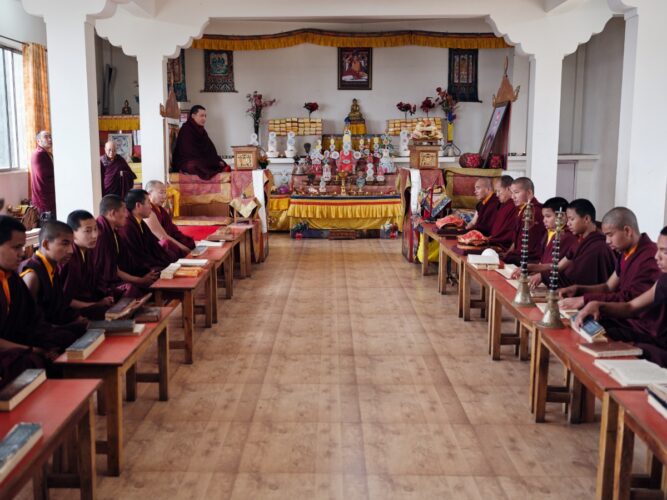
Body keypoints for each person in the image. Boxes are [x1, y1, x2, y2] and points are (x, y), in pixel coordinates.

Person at [575, 226, 667, 367]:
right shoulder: (664, 280)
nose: (656, 257)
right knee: (605, 332)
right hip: (654, 336)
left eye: (664, 252)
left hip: (660, 344)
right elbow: (631, 306)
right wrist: (598, 305)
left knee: (636, 353)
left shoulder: (646, 258)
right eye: (658, 250)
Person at [560, 207, 660, 326]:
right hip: (623, 314)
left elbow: (630, 302)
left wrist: (585, 299)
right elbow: (608, 286)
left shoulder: (650, 257)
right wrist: (578, 289)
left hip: (639, 323)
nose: (607, 241)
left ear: (627, 231)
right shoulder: (625, 253)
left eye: (610, 235)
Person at [0, 217, 64, 378]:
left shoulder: (11, 278)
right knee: (29, 362)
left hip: (15, 344)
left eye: (22, 247)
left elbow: (32, 318)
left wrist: (46, 344)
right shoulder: (29, 274)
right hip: (8, 352)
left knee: (62, 341)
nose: (22, 254)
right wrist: (31, 349)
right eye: (16, 248)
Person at [20, 221, 86, 341]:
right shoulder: (32, 275)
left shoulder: (51, 268)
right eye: (65, 244)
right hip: (32, 335)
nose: (71, 250)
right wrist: (60, 328)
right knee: (68, 336)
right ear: (46, 244)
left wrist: (75, 319)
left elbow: (56, 307)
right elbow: (27, 320)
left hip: (49, 327)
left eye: (72, 244)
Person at [92, 195, 158, 298]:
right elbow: (112, 271)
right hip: (103, 285)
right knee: (134, 290)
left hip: (119, 276)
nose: (127, 215)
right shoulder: (101, 234)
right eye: (124, 211)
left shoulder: (112, 231)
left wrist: (144, 273)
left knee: (153, 275)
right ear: (113, 213)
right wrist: (140, 280)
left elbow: (124, 262)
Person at [59, 210, 115, 320]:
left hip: (89, 301)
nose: (95, 235)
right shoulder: (68, 259)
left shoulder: (87, 252)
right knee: (105, 312)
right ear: (72, 234)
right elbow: (65, 300)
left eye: (95, 229)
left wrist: (106, 297)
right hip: (72, 311)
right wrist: (96, 305)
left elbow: (97, 283)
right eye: (88, 231)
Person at [513, 197, 578, 287]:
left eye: (548, 216)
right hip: (547, 278)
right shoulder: (549, 233)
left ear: (562, 216)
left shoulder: (567, 237)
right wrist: (533, 269)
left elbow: (559, 267)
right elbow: (543, 261)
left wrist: (541, 275)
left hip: (558, 284)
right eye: (544, 216)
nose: (544, 220)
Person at [552, 199, 615, 288]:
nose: (568, 223)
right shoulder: (580, 241)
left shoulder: (597, 246)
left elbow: (574, 278)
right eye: (568, 219)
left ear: (586, 219)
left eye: (572, 219)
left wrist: (544, 276)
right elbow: (559, 267)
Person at [117, 189, 173, 277]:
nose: (151, 206)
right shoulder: (127, 226)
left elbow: (153, 246)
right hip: (136, 270)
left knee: (170, 260)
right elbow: (134, 257)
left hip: (146, 263)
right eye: (148, 203)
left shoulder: (139, 222)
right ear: (138, 205)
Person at [172, 105, 230, 180]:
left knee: (219, 162)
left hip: (201, 159)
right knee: (195, 165)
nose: (204, 119)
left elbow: (210, 148)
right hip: (186, 161)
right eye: (201, 116)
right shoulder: (186, 130)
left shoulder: (202, 131)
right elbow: (189, 152)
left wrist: (215, 159)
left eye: (205, 116)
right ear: (193, 116)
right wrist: (210, 161)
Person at [144, 180, 195, 259]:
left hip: (167, 238)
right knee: (169, 246)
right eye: (161, 193)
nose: (164, 196)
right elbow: (162, 237)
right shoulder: (148, 212)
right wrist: (186, 250)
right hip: (156, 246)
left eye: (165, 193)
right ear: (149, 194)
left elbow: (172, 230)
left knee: (188, 242)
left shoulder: (161, 209)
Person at [502, 177, 545, 265]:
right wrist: (507, 254)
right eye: (512, 193)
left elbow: (530, 244)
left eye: (516, 192)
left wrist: (510, 256)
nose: (513, 197)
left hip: (530, 259)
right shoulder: (521, 210)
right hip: (519, 254)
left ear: (529, 193)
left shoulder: (535, 211)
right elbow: (516, 239)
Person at [487, 175, 517, 250]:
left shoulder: (514, 206)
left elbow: (510, 233)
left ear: (508, 189)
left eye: (499, 191)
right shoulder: (503, 205)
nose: (497, 195)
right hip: (494, 243)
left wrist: (491, 240)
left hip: (503, 247)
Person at [30, 130, 56, 217]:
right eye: (46, 137)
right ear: (38, 141)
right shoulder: (39, 154)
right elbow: (45, 177)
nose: (50, 139)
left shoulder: (48, 154)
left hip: (50, 199)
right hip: (45, 201)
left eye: (50, 137)